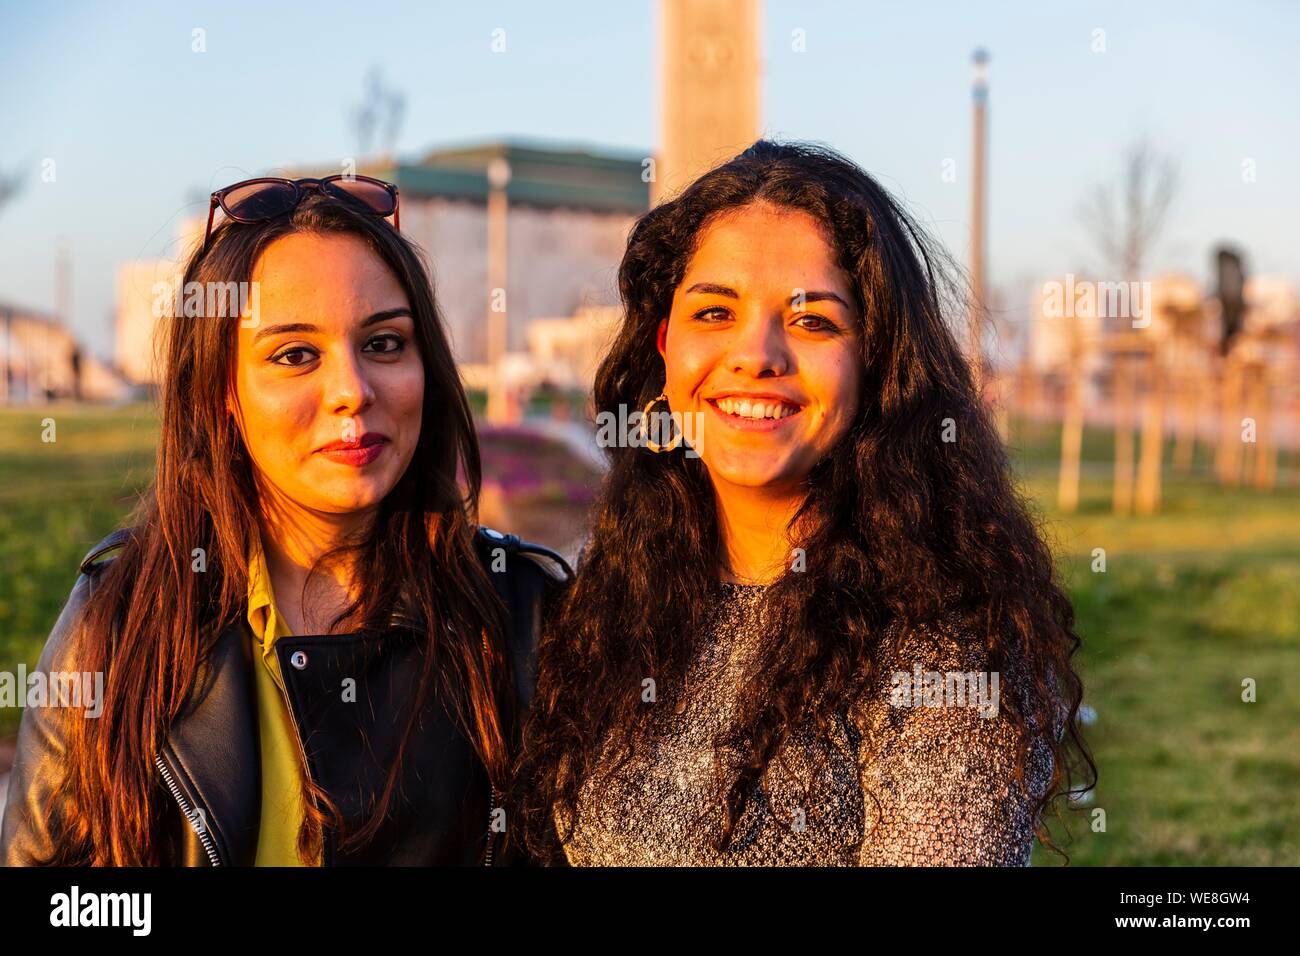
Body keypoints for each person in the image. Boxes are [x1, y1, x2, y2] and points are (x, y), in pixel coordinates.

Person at [514, 140, 1095, 866]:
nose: (757, 355)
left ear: (875, 361)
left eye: (813, 321)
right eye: (715, 313)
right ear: (666, 347)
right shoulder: (622, 592)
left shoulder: (946, 642)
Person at [1, 175, 570, 866]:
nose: (351, 391)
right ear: (222, 396)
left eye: (385, 343)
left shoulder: (523, 614)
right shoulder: (118, 622)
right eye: (295, 355)